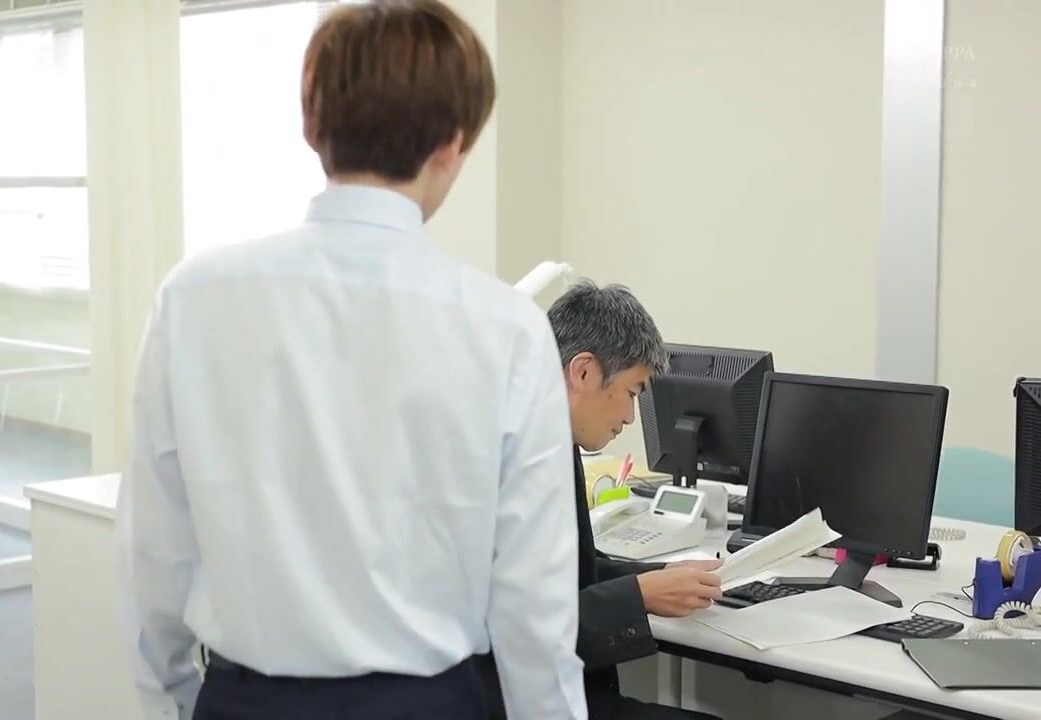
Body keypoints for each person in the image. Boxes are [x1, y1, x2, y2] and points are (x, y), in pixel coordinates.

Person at [114, 2, 587, 719]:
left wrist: (173, 703)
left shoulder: (194, 299)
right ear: (453, 144)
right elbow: (535, 611)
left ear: (312, 121)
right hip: (428, 706)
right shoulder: (509, 330)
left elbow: (153, 551)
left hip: (243, 702)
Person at [479, 281, 724, 720]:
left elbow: (570, 573)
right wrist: (637, 596)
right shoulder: (498, 458)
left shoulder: (549, 438)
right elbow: (507, 625)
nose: (629, 417)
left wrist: (659, 577)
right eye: (631, 392)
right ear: (584, 372)